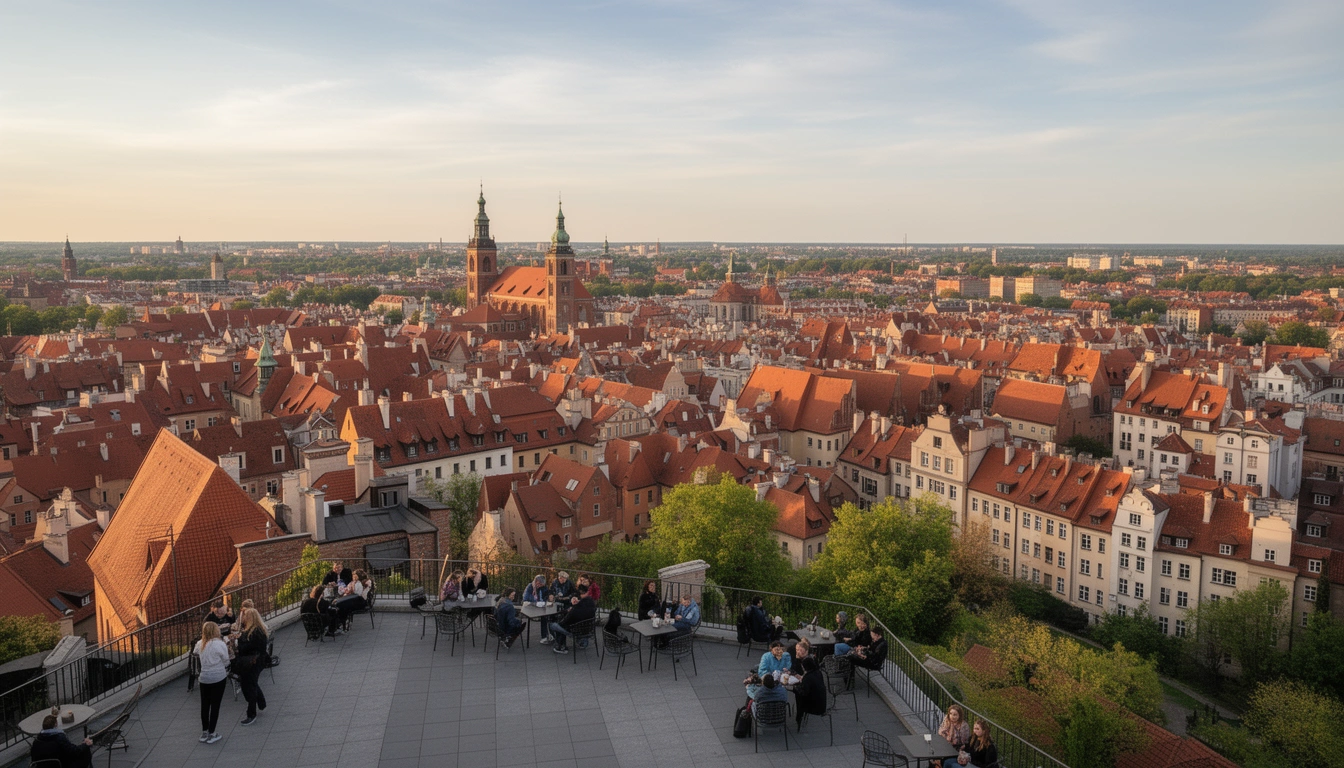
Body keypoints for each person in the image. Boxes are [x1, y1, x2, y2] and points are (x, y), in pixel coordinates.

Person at [195, 621, 230, 744]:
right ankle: (212, 732)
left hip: (204, 678)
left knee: (205, 705)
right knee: (215, 706)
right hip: (218, 677)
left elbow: (195, 653)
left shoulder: (200, 644)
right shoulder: (219, 644)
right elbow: (226, 660)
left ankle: (204, 731)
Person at [234, 608, 269, 725]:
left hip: (251, 662)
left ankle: (251, 713)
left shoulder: (251, 633)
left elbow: (243, 648)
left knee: (249, 686)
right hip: (258, 661)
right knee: (252, 683)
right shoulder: (260, 630)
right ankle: (261, 702)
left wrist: (239, 640)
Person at [549, 583, 596, 654]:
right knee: (581, 622)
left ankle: (561, 646)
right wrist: (578, 603)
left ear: (580, 594)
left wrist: (569, 611)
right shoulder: (591, 603)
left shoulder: (575, 610)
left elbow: (565, 622)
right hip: (587, 630)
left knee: (554, 625)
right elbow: (583, 605)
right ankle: (583, 642)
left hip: (575, 631)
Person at [330, 569, 372, 634]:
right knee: (341, 605)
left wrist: (351, 590)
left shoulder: (359, 583)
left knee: (343, 606)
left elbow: (357, 594)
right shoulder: (353, 583)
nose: (354, 578)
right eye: (353, 576)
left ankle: (341, 624)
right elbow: (347, 591)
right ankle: (340, 623)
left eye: (355, 576)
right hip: (353, 599)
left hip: (359, 601)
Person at [792, 656, 827, 727]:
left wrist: (793, 688)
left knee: (798, 697)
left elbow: (804, 692)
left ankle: (799, 717)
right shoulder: (818, 673)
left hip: (814, 707)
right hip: (822, 704)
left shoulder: (807, 678)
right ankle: (799, 717)